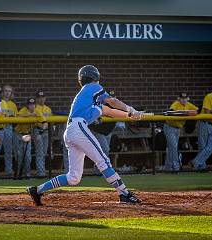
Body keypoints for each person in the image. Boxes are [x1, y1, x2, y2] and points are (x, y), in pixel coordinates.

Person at [27, 65, 143, 206]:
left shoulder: (91, 103)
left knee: (73, 177)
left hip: (71, 132)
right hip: (78, 128)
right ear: (95, 77)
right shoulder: (92, 87)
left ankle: (37, 190)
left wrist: (131, 115)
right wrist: (130, 108)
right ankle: (124, 193)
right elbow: (113, 101)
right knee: (103, 161)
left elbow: (110, 111)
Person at [163, 93, 198, 172]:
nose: (184, 100)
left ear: (187, 98)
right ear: (179, 98)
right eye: (182, 98)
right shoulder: (176, 103)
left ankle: (168, 168)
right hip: (169, 127)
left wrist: (188, 113)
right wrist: (182, 112)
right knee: (174, 146)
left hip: (178, 128)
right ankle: (176, 167)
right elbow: (171, 111)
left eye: (185, 98)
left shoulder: (188, 104)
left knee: (171, 147)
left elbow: (197, 110)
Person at [89, 90, 118, 174]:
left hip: (107, 131)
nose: (113, 98)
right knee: (105, 149)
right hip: (97, 130)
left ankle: (100, 169)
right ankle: (100, 169)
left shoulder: (115, 106)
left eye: (114, 97)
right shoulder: (99, 104)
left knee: (105, 150)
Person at [14, 98, 36, 177]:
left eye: (33, 104)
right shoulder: (24, 110)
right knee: (19, 155)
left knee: (27, 156)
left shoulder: (36, 111)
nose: (32, 106)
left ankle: (27, 174)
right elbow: (18, 116)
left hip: (28, 134)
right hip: (18, 134)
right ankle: (19, 174)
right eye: (30, 104)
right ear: (27, 105)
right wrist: (30, 115)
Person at [32, 90, 52, 177]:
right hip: (38, 131)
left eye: (42, 97)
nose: (41, 99)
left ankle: (42, 171)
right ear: (36, 99)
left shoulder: (48, 109)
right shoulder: (34, 108)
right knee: (40, 153)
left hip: (46, 132)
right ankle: (41, 173)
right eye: (39, 98)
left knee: (44, 153)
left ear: (45, 98)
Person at [1, 84, 18, 177]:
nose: (7, 93)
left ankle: (8, 172)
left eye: (9, 91)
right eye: (5, 91)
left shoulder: (12, 105)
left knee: (8, 152)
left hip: (8, 128)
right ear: (2, 92)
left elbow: (16, 118)